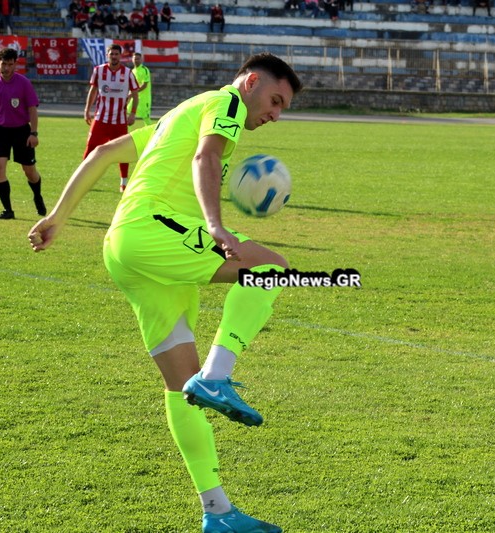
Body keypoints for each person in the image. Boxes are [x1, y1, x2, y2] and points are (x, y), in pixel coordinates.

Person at [28, 52, 302, 533]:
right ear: (251, 82)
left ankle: (218, 512)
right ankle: (218, 376)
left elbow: (103, 153)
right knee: (272, 268)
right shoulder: (226, 103)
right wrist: (216, 225)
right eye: (276, 100)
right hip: (154, 231)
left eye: (283, 108)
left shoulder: (179, 114)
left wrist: (57, 217)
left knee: (182, 388)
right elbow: (206, 157)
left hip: (124, 249)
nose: (276, 115)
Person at [0, 47, 46, 220]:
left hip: (22, 131)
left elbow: (32, 109)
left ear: (15, 65)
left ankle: (37, 196)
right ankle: (8, 210)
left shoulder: (24, 83)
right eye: (4, 64)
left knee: (29, 171)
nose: (7, 68)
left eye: (10, 64)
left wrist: (34, 133)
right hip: (1, 131)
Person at [83, 43, 139, 192]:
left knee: (123, 151)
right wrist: (87, 109)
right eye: (111, 54)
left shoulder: (128, 73)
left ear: (120, 56)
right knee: (90, 148)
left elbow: (135, 94)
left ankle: (124, 182)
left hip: (119, 121)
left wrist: (133, 113)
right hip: (101, 119)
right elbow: (93, 90)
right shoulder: (98, 70)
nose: (114, 57)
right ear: (107, 55)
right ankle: (82, 180)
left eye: (116, 54)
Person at [127, 52, 152, 127]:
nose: (136, 60)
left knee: (146, 117)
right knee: (128, 112)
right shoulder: (132, 71)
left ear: (141, 60)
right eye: (135, 59)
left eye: (138, 59)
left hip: (144, 98)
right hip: (134, 97)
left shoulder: (144, 70)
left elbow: (144, 85)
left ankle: (152, 131)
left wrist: (132, 94)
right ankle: (126, 131)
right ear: (132, 60)